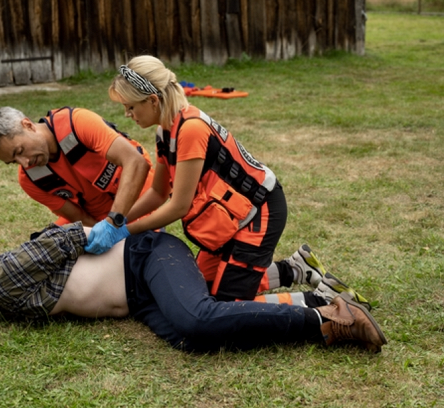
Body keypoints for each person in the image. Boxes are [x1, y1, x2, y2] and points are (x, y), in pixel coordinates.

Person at [0, 222, 387, 353]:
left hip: (144, 256)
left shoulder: (1, 280)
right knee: (191, 336)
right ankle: (308, 293)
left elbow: (62, 236)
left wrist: (115, 230)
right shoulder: (12, 305)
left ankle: (327, 321)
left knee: (197, 316)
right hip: (138, 297)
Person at [84, 55, 323, 303]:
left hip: (259, 212)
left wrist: (124, 231)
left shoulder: (191, 129)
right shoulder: (164, 133)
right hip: (231, 216)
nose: (127, 114)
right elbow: (158, 193)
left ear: (153, 100)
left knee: (227, 310)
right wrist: (115, 221)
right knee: (200, 289)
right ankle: (295, 268)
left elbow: (179, 206)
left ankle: (322, 303)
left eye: (130, 106)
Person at [0, 106, 155, 233]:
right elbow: (79, 217)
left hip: (139, 195)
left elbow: (136, 163)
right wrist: (100, 233)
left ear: (28, 126)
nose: (24, 163)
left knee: (138, 247)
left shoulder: (77, 122)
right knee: (46, 247)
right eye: (13, 161)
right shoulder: (29, 179)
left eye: (20, 151)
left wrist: (113, 224)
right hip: (99, 218)